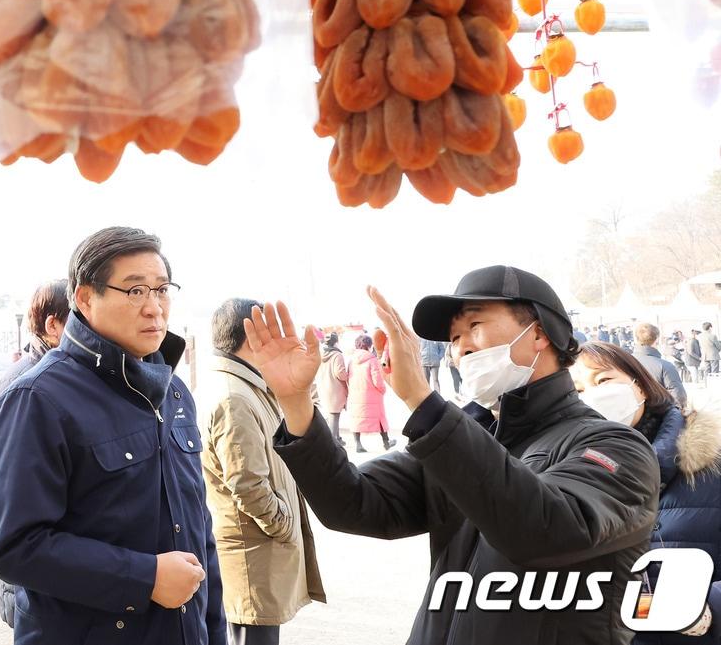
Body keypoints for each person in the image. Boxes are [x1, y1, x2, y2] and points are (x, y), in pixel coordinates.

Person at [250, 265, 659, 645]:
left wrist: (422, 402)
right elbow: (353, 503)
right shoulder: (467, 434)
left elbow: (545, 531)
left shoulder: (616, 446)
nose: (459, 348)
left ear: (539, 334)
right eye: (454, 337)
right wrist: (297, 403)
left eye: (475, 325)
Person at [0, 227, 226, 645]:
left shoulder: (172, 389)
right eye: (135, 292)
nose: (154, 308)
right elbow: (17, 547)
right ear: (84, 297)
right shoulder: (37, 397)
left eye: (162, 290)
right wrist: (145, 578)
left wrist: (214, 633)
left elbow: (198, 532)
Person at [571, 340, 721, 642]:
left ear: (639, 387)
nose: (591, 397)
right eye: (576, 391)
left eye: (603, 380)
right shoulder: (563, 473)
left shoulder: (712, 465)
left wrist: (708, 604)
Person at [201, 299, 324, 645]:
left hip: (257, 553)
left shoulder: (244, 385)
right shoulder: (233, 396)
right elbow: (248, 484)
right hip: (251, 557)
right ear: (251, 335)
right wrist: (284, 524)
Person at [0, 279, 70, 628]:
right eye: (80, 320)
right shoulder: (26, 385)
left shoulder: (65, 378)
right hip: (32, 587)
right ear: (53, 326)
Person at [346, 334, 395, 454]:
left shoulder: (352, 360)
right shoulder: (372, 360)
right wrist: (383, 390)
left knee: (356, 418)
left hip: (355, 393)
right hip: (372, 394)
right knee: (380, 418)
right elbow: (377, 380)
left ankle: (358, 444)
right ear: (369, 345)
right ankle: (386, 442)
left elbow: (348, 377)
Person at [634, 322, 689, 409]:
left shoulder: (622, 362)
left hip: (627, 418)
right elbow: (679, 398)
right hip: (657, 417)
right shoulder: (665, 365)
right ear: (657, 340)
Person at [313, 333, 349, 448]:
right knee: (334, 416)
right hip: (335, 389)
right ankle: (333, 443)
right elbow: (340, 373)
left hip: (324, 388)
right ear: (336, 342)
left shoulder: (321, 354)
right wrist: (348, 374)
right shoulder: (337, 355)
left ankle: (337, 438)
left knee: (332, 414)